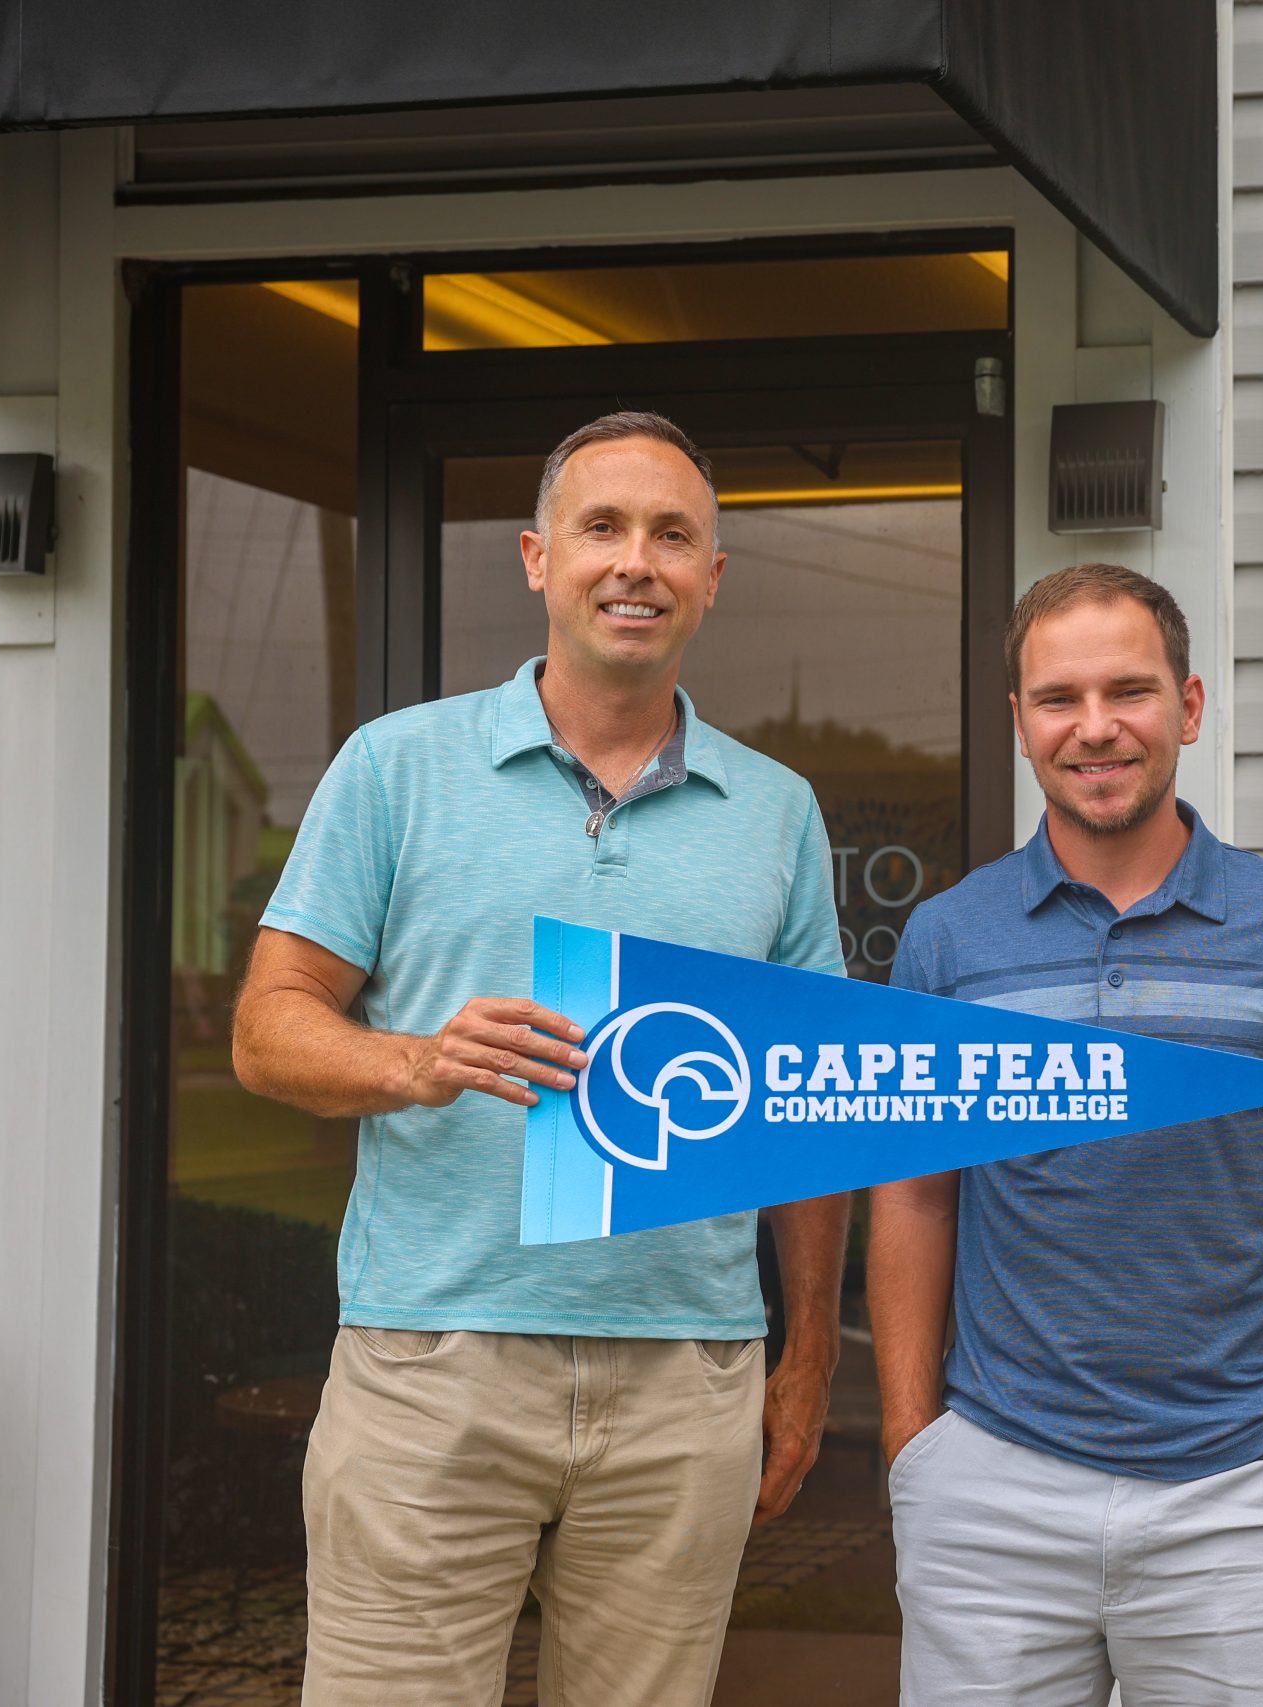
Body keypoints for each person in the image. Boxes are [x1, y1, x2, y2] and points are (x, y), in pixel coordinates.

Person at [232, 411, 851, 1706]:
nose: (637, 561)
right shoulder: (396, 769)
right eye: (603, 528)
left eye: (673, 534)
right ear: (535, 557)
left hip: (687, 1374)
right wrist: (415, 1059)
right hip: (434, 1361)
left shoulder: (777, 812)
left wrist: (807, 1360)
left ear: (713, 575)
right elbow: (265, 1026)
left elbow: (810, 1107)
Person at [870, 562, 1263, 1706]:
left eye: (1128, 693)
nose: (1095, 729)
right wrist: (912, 1445)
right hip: (994, 1480)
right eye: (1059, 699)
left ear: (1187, 707)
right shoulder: (950, 939)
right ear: (1020, 723)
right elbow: (914, 1194)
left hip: (1233, 1490)